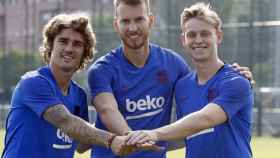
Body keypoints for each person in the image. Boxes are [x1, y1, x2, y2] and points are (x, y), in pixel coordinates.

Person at [87, 0, 254, 158]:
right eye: (125, 21)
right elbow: (107, 110)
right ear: (116, 24)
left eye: (139, 19)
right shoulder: (102, 70)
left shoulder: (178, 67)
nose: (132, 28)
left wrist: (150, 135)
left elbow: (203, 119)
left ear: (150, 20)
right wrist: (134, 138)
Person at [2, 13, 131, 158]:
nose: (69, 49)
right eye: (63, 41)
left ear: (85, 52)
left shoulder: (79, 95)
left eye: (77, 44)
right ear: (50, 46)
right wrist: (111, 140)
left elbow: (81, 145)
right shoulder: (34, 82)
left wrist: (111, 115)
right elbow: (66, 121)